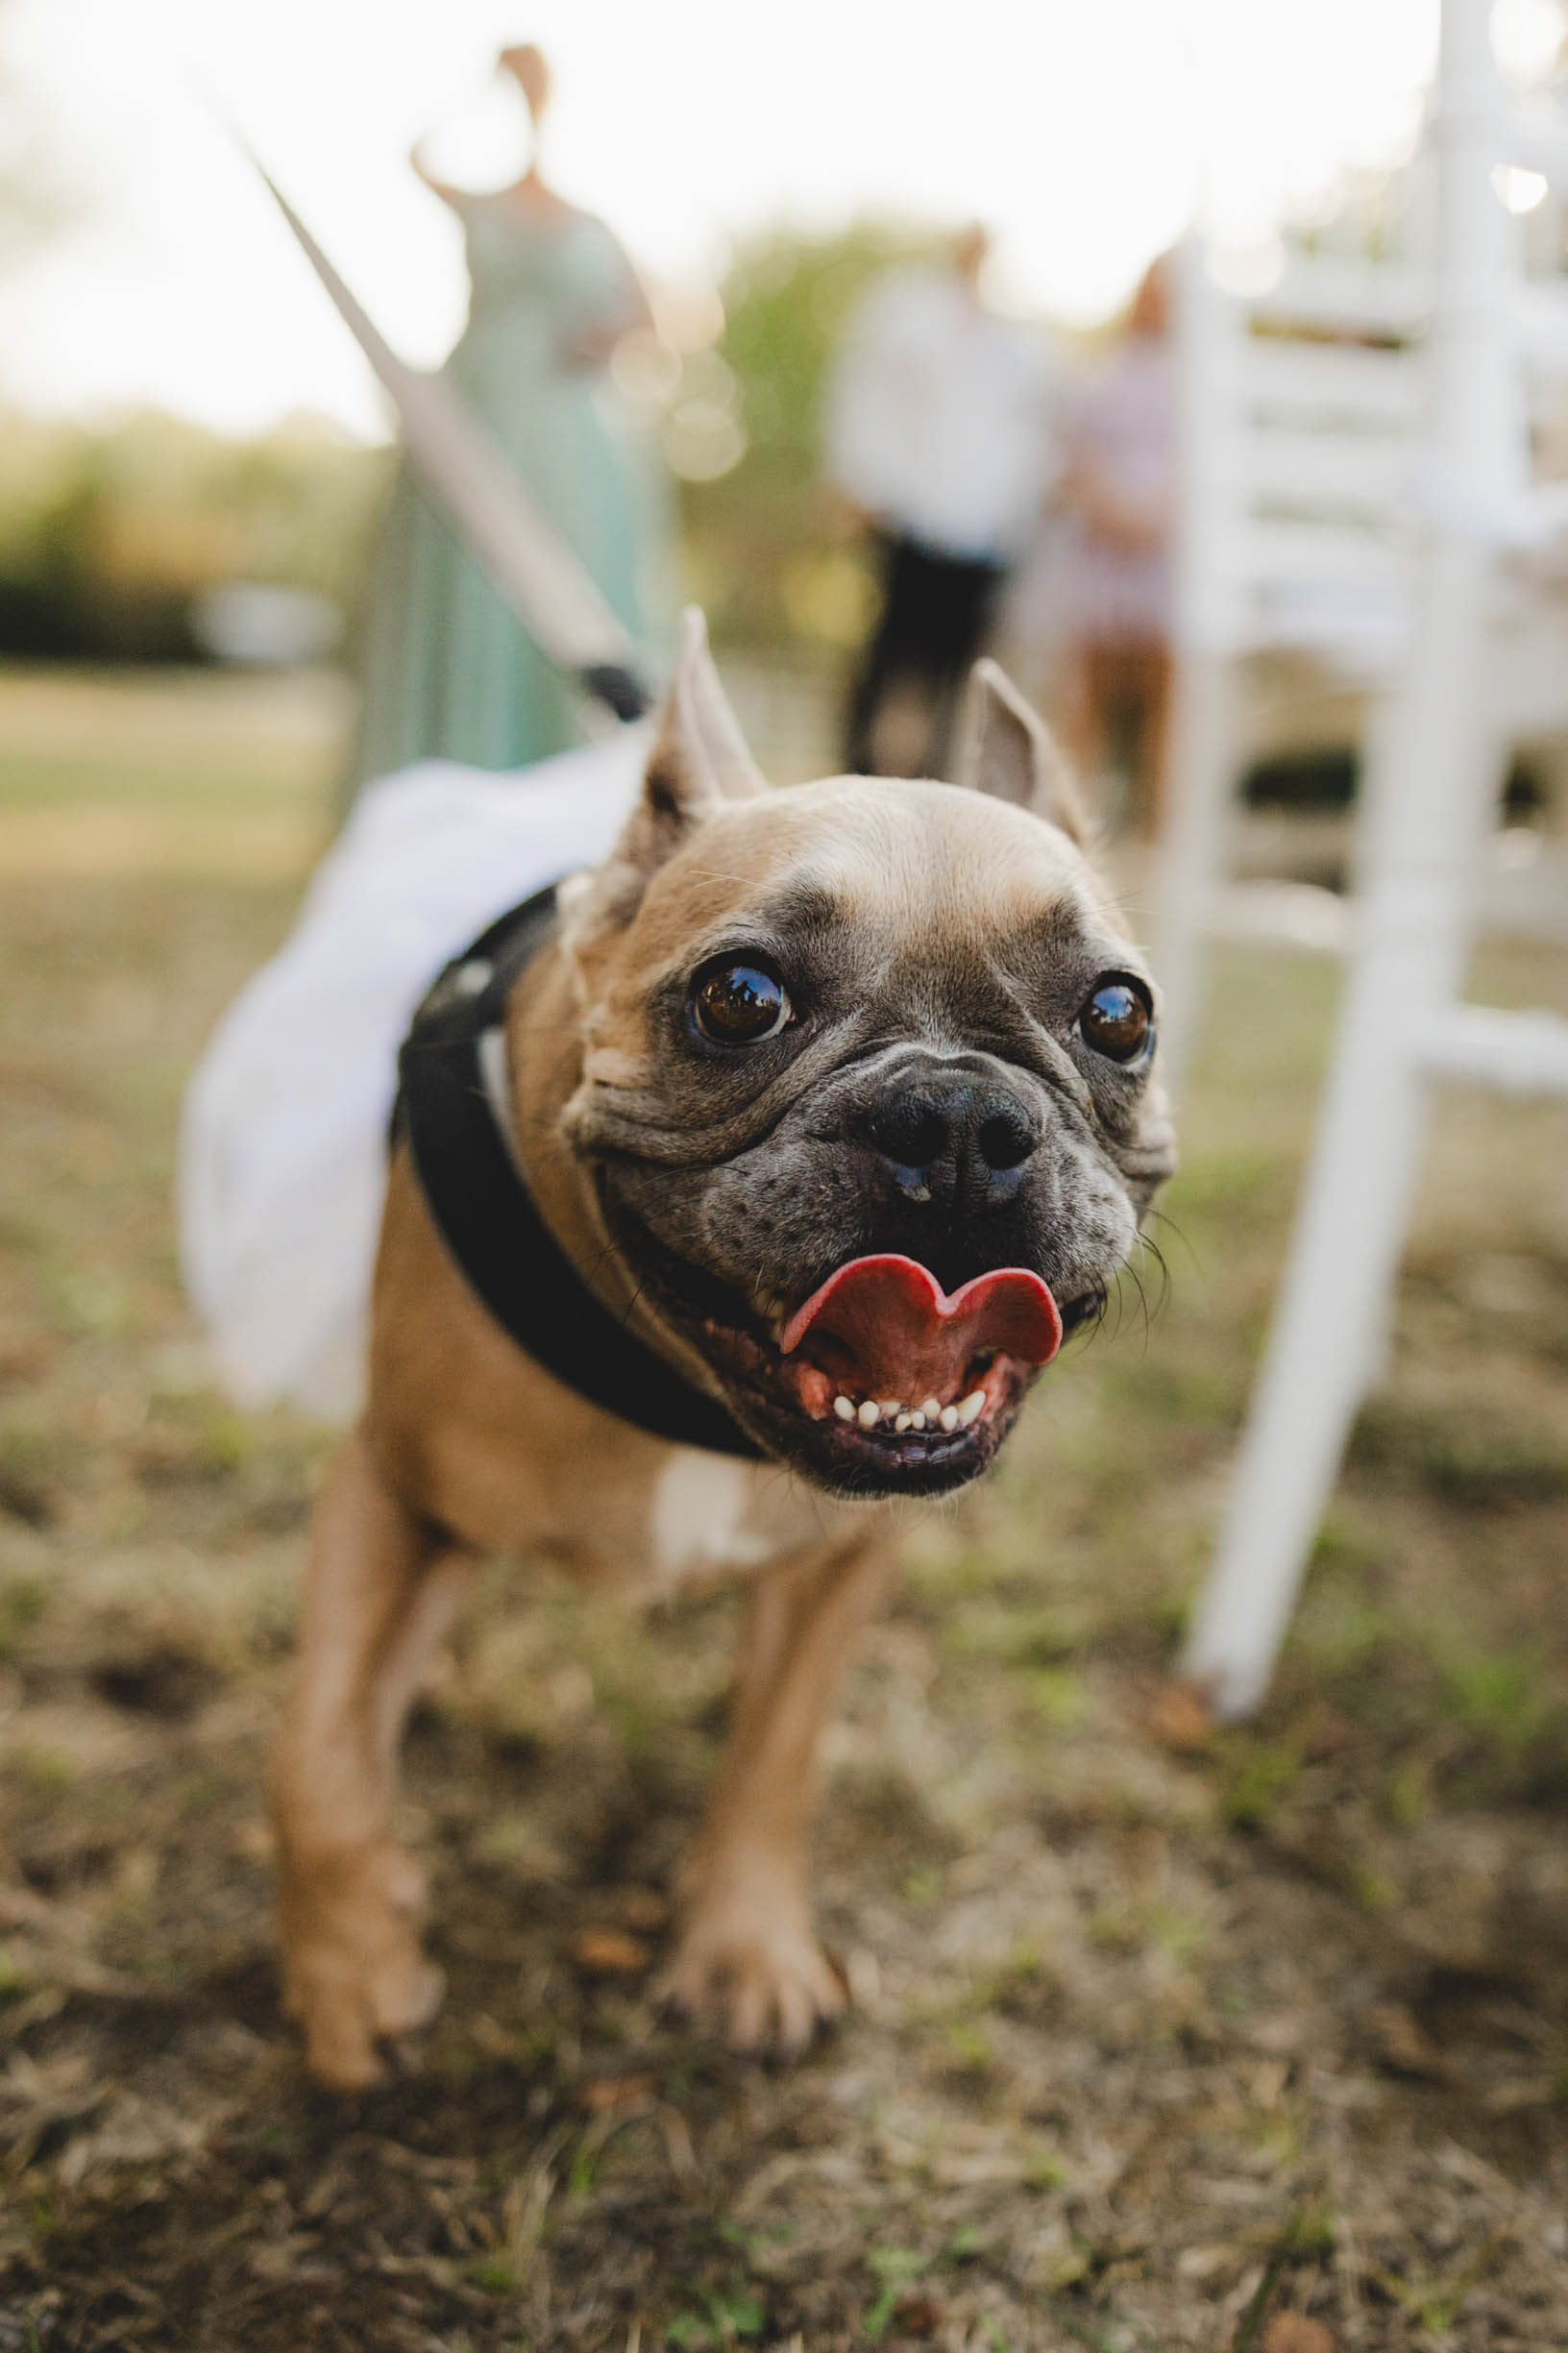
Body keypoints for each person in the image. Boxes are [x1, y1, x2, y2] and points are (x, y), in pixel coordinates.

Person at [351, 43, 670, 788]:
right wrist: (480, 92)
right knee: (466, 588)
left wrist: (601, 334)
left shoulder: (592, 222)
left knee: (563, 580)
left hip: (567, 438)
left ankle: (571, 777)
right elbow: (413, 155)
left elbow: (650, 315)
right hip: (475, 416)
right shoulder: (480, 202)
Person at [826, 225, 1058, 779]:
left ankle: (937, 773)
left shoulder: (1017, 339)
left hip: (986, 527)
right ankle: (859, 768)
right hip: (911, 513)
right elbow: (865, 394)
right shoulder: (903, 311)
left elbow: (1030, 429)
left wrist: (1024, 508)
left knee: (959, 669)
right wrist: (857, 482)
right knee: (890, 656)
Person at [1055, 256, 1175, 840]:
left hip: (1166, 558)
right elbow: (1070, 453)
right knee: (1089, 694)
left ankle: (1155, 828)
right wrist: (1110, 507)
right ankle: (1074, 823)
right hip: (1103, 551)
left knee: (1164, 698)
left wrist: (1157, 517)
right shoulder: (1100, 372)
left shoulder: (1200, 378)